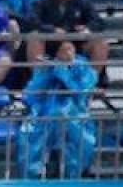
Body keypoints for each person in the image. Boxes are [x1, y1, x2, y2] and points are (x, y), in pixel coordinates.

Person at [18, 38, 97, 179]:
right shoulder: (47, 66)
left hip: (74, 112)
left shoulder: (83, 66)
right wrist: (46, 73)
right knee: (30, 131)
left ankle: (72, 171)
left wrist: (63, 73)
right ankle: (34, 173)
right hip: (43, 113)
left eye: (70, 49)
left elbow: (81, 92)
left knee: (66, 121)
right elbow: (31, 94)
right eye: (63, 50)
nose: (68, 53)